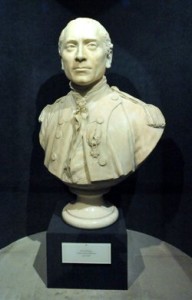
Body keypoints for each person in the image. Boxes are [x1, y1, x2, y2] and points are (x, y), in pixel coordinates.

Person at [39, 18, 165, 185]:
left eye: (91, 45)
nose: (80, 56)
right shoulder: (49, 116)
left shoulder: (141, 117)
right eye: (70, 46)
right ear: (62, 60)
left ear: (108, 56)